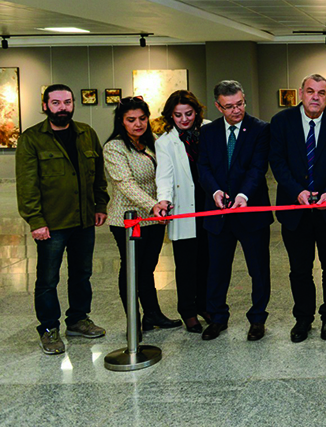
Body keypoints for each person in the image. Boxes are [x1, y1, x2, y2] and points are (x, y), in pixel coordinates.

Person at [16, 84, 109, 355]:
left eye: (67, 102)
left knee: (82, 274)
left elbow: (98, 175)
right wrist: (36, 221)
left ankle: (78, 319)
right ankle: (48, 328)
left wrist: (100, 204)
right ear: (45, 105)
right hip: (52, 224)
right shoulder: (32, 138)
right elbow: (27, 185)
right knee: (48, 279)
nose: (62, 108)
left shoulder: (86, 134)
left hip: (84, 221)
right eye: (55, 103)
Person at [269, 74, 326, 342]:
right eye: (310, 91)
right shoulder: (281, 122)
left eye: (321, 92)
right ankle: (303, 318)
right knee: (299, 269)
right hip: (296, 211)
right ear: (301, 94)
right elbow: (278, 162)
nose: (315, 96)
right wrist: (298, 191)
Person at [198, 80, 273, 341]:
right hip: (218, 213)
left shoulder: (261, 129)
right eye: (229, 106)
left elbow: (257, 167)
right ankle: (218, 317)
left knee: (258, 269)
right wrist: (216, 192)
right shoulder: (207, 133)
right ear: (219, 106)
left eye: (240, 104)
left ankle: (257, 318)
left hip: (251, 212)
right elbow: (204, 168)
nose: (236, 110)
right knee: (217, 269)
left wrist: (243, 195)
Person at [104, 96, 181, 332]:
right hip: (129, 219)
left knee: (148, 267)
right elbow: (125, 184)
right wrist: (153, 205)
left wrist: (162, 205)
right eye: (131, 120)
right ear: (121, 121)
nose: (138, 124)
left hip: (154, 219)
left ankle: (152, 314)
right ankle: (133, 321)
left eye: (142, 118)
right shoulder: (114, 147)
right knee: (131, 269)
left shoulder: (152, 142)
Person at [151, 90, 211, 334]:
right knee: (186, 263)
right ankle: (188, 311)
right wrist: (163, 200)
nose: (184, 119)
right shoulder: (165, 141)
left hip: (209, 202)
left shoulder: (209, 129)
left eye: (189, 113)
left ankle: (205, 304)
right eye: (178, 115)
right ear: (170, 116)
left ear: (196, 112)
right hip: (183, 205)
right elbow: (163, 176)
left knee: (208, 260)